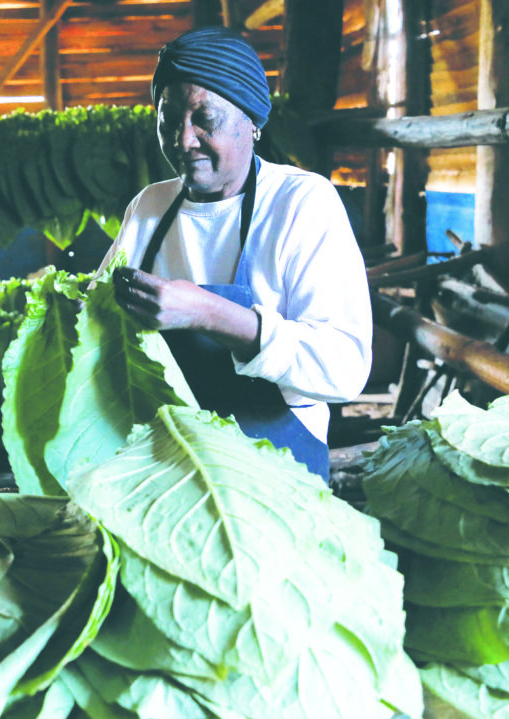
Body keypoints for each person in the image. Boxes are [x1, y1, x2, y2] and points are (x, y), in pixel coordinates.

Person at [100, 26, 372, 481]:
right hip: (167, 464)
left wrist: (209, 313)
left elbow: (344, 369)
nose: (183, 139)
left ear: (252, 122)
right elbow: (98, 328)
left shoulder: (301, 202)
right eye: (169, 120)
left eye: (205, 119)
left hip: (274, 470)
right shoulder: (150, 207)